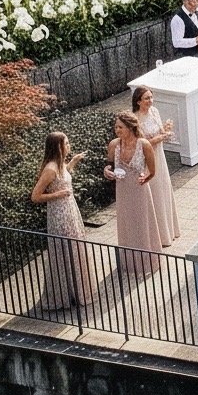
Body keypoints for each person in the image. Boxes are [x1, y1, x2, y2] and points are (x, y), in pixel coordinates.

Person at [31, 132, 94, 310]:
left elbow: (62, 177)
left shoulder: (60, 164)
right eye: (66, 143)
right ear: (58, 147)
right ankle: (63, 295)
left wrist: (73, 162)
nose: (69, 145)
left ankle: (75, 291)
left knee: (73, 249)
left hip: (70, 211)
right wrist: (58, 194)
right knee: (65, 250)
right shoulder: (50, 168)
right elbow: (35, 196)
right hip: (59, 214)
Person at [104, 112, 163, 272]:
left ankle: (148, 262)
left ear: (130, 127)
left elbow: (153, 171)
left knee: (142, 223)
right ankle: (129, 262)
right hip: (122, 191)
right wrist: (107, 172)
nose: (117, 130)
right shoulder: (113, 145)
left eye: (120, 127)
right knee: (126, 224)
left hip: (139, 191)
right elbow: (109, 167)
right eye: (116, 127)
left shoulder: (144, 144)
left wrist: (145, 178)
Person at [133, 85, 181, 247]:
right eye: (146, 98)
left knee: (164, 190)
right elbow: (142, 144)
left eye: (151, 97)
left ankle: (170, 231)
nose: (150, 101)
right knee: (155, 193)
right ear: (138, 101)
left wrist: (166, 130)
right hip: (148, 159)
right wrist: (161, 137)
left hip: (160, 156)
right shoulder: (136, 119)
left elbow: (160, 132)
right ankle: (159, 236)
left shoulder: (154, 111)